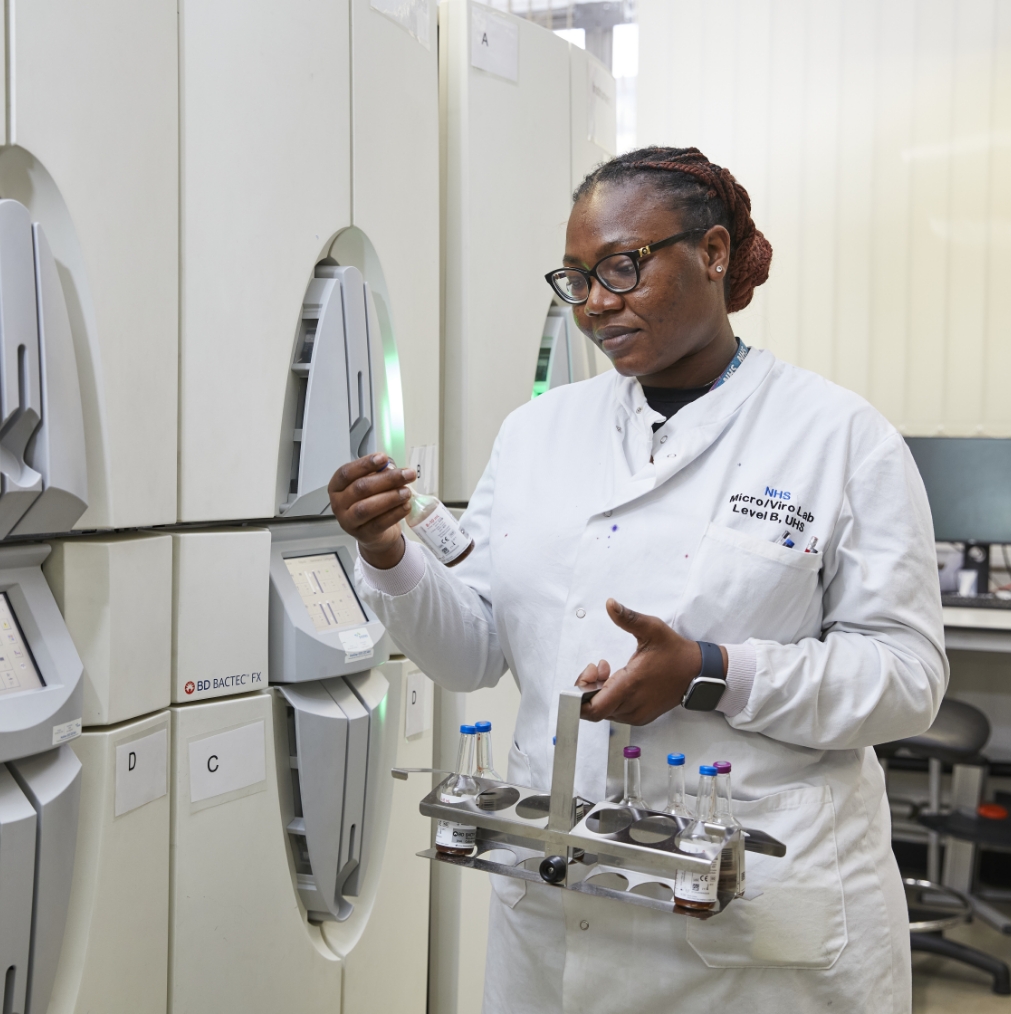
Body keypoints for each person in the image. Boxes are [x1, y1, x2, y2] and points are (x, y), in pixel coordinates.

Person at [329, 147, 947, 1014]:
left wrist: (710, 669)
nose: (595, 305)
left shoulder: (839, 437)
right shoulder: (537, 433)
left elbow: (906, 682)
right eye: (575, 279)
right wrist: (390, 553)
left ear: (714, 253)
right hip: (564, 902)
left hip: (748, 914)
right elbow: (474, 650)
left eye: (622, 266)